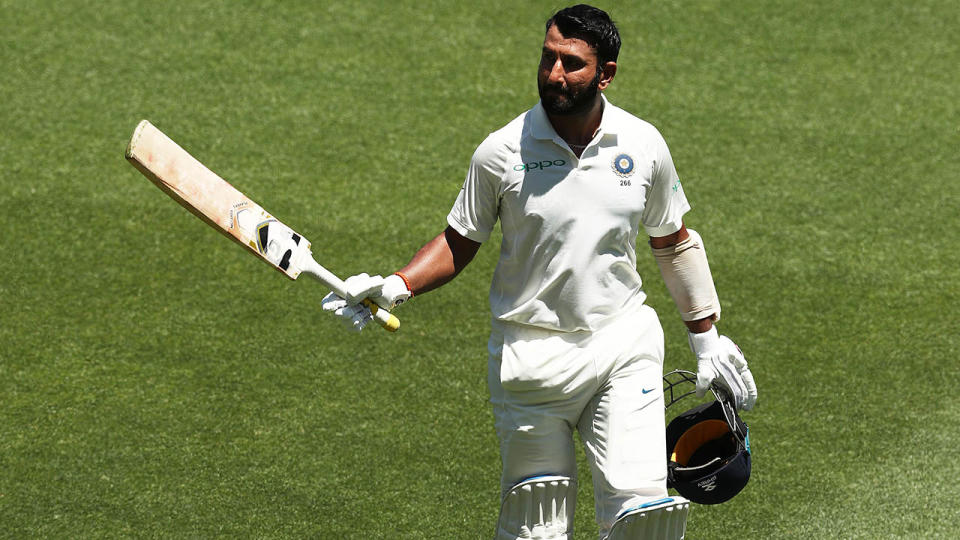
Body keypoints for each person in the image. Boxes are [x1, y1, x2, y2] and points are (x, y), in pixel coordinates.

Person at [321, 5, 757, 539]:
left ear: (606, 73)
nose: (554, 74)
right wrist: (396, 285)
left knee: (645, 518)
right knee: (537, 528)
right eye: (548, 57)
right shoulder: (502, 152)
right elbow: (460, 240)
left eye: (572, 63)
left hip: (622, 342)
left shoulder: (644, 145)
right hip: (529, 361)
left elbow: (672, 241)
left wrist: (705, 339)